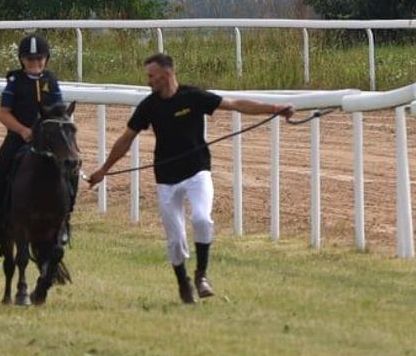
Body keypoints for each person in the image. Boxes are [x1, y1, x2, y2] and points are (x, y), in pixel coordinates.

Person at [87, 53, 295, 303]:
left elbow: (235, 104)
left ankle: (201, 275)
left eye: (151, 76)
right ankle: (182, 281)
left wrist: (274, 109)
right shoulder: (148, 106)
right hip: (166, 178)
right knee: (175, 241)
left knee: (201, 218)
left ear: (167, 75)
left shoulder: (193, 97)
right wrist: (104, 170)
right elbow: (125, 140)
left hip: (197, 172)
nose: (148, 81)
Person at [0, 33, 66, 245]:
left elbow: (59, 111)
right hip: (19, 138)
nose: (35, 63)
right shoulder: (14, 82)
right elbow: (4, 114)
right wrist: (22, 131)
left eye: (39, 59)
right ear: (22, 60)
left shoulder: (51, 81)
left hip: (46, 139)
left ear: (46, 59)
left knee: (68, 169)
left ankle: (65, 218)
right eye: (30, 59)